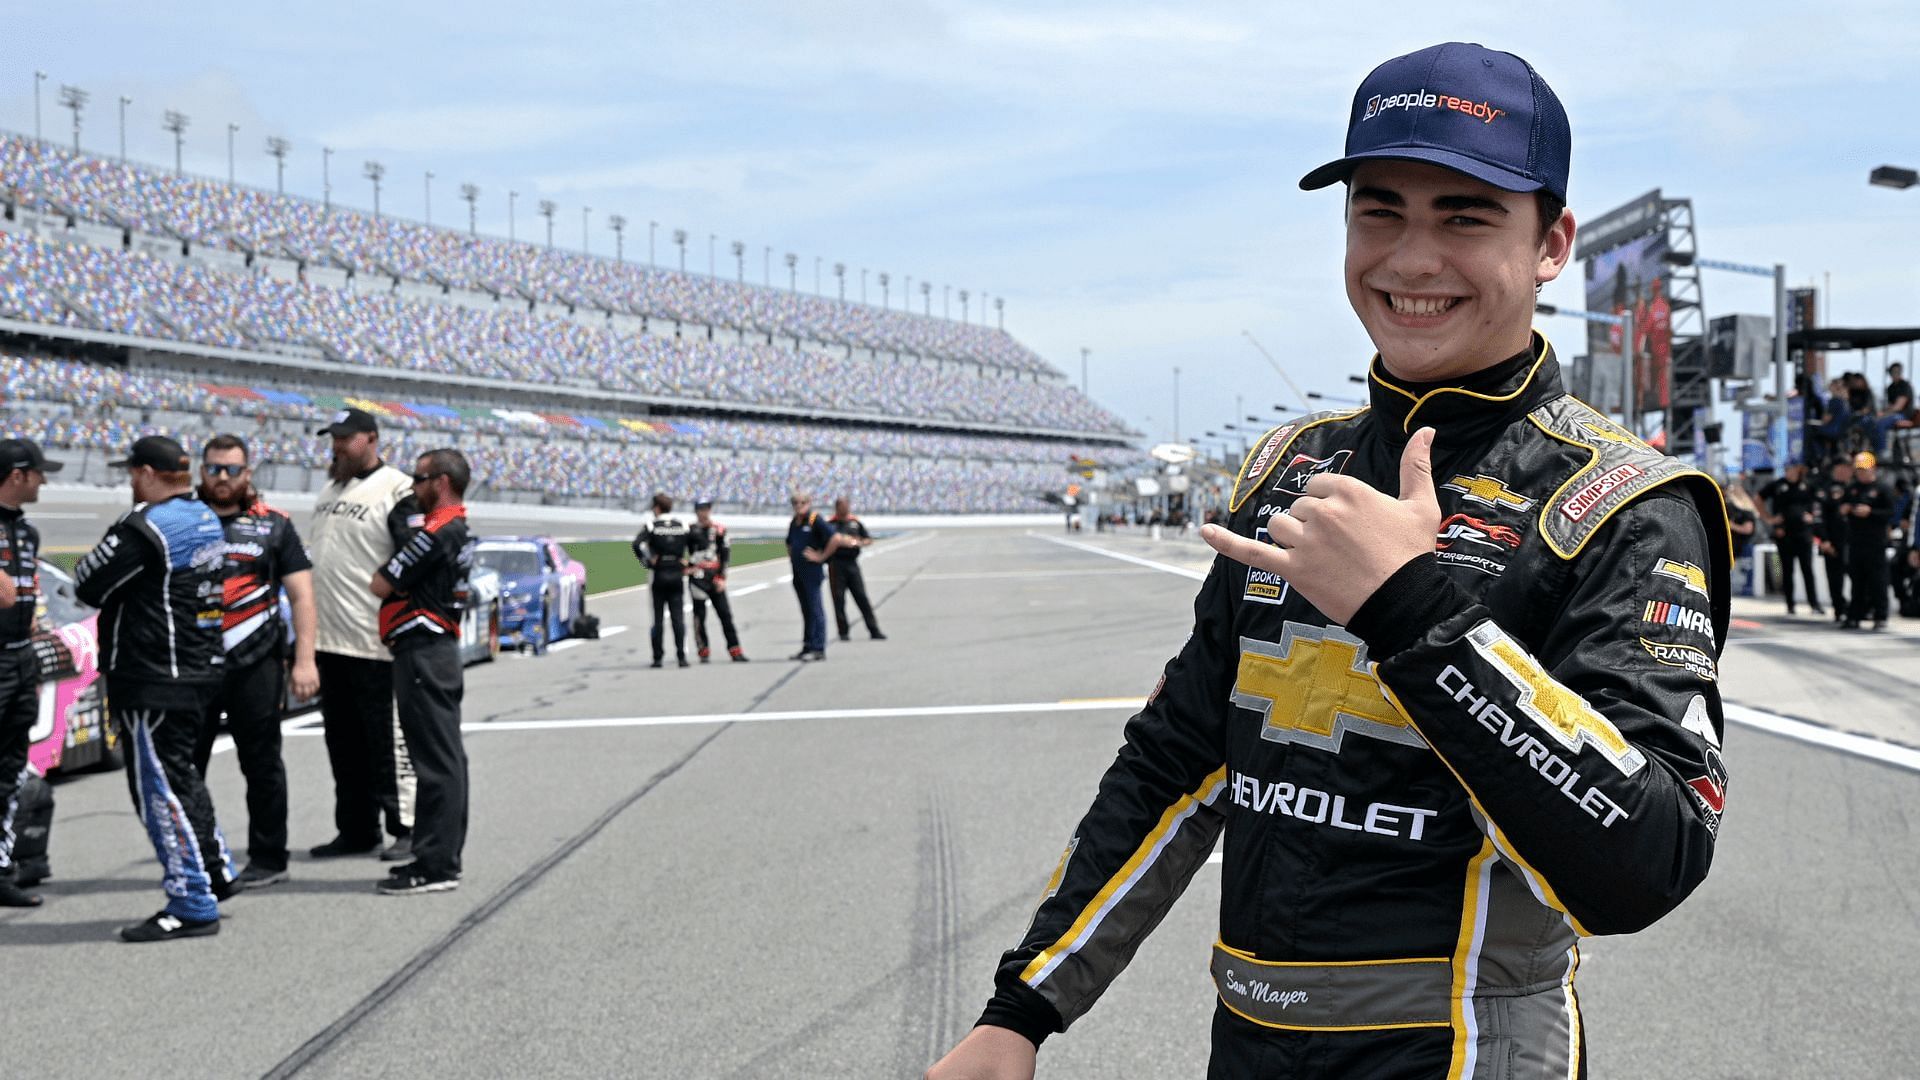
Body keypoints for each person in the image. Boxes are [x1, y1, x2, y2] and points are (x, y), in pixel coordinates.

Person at [931, 43, 1731, 1080]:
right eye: (1379, 210)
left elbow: (1648, 864)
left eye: (1465, 216)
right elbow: (1176, 761)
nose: (1410, 257)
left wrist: (1413, 612)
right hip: (1251, 1049)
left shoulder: (1622, 504)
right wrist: (1024, 1006)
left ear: (1553, 243)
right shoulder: (1290, 466)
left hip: (1465, 1051)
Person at [73, 436, 237, 942]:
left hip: (153, 676)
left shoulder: (147, 527)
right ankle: (215, 869)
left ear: (146, 472)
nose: (128, 481)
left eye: (131, 473)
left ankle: (191, 902)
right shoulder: (207, 516)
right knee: (183, 777)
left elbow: (86, 582)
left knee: (159, 790)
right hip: (196, 666)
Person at [188, 435, 318, 891]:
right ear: (201, 471)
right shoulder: (181, 519)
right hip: (193, 664)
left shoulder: (275, 525)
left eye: (232, 469)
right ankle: (194, 857)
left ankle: (269, 857)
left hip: (256, 663)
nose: (222, 478)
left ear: (248, 473)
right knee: (186, 767)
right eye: (214, 469)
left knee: (262, 763)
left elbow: (302, 595)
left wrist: (304, 661)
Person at [307, 407, 418, 862]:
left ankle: (405, 826)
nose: (336, 445)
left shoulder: (397, 488)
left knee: (385, 745)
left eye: (345, 438)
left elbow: (414, 555)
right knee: (343, 744)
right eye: (333, 438)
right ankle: (357, 828)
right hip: (329, 640)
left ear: (371, 439)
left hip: (375, 642)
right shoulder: (331, 489)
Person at [369, 449, 472, 895]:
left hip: (425, 649)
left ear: (442, 482)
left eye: (419, 478)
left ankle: (437, 866)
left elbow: (381, 582)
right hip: (429, 648)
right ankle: (432, 855)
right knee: (437, 759)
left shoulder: (440, 531)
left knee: (435, 762)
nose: (413, 487)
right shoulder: (450, 530)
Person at [0, 438, 60, 908]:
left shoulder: (27, 532)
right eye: (39, 472)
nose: (44, 480)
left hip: (21, 656)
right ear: (17, 475)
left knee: (8, 769)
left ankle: (1, 868)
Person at [632, 493, 692, 669]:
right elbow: (693, 543)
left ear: (657, 508)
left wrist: (647, 561)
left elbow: (636, 544)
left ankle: (658, 658)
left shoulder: (652, 525)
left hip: (659, 574)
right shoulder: (682, 525)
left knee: (657, 618)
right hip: (676, 573)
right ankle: (682, 657)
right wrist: (686, 561)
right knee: (678, 617)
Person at [1759, 462, 1824, 616]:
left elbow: (1820, 501)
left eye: (1793, 469)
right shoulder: (1778, 485)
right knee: (1787, 570)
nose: (1790, 472)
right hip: (1784, 534)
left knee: (1807, 569)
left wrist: (1813, 516)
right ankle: (1790, 604)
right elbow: (1758, 498)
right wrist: (1768, 519)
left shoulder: (1807, 485)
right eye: (1788, 469)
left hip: (1804, 533)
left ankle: (1814, 604)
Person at [1840, 451, 1895, 630]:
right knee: (1857, 582)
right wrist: (1846, 509)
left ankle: (1881, 616)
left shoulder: (1883, 488)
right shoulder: (1852, 488)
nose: (1862, 473)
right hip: (1856, 542)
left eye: (1865, 469)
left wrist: (1870, 512)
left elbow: (1891, 514)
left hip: (1876, 542)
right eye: (1859, 470)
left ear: (1873, 468)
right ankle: (1855, 616)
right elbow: (1841, 508)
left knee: (1878, 581)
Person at [687, 497, 747, 663]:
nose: (703, 512)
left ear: (710, 510)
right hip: (697, 578)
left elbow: (726, 555)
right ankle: (703, 650)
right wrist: (685, 567)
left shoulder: (719, 530)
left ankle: (735, 650)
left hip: (715, 577)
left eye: (706, 508)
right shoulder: (689, 530)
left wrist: (722, 577)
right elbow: (678, 550)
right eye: (700, 509)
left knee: (725, 615)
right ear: (696, 511)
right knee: (699, 617)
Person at [827, 496, 885, 642]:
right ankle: (843, 632)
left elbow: (868, 539)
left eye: (846, 505)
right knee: (838, 599)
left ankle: (874, 629)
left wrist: (857, 543)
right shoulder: (830, 524)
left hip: (852, 564)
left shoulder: (855, 523)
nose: (845, 508)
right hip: (836, 564)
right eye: (841, 505)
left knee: (862, 597)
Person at [786, 493, 834, 662]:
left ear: (809, 503)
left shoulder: (815, 519)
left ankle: (818, 647)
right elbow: (789, 542)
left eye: (802, 502)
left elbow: (834, 538)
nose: (798, 505)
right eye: (795, 503)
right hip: (798, 571)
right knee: (806, 611)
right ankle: (808, 644)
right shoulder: (794, 522)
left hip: (811, 572)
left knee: (815, 609)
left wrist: (821, 557)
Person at [1818, 457, 1855, 625]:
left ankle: (1857, 608)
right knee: (1835, 579)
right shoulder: (1825, 489)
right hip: (1832, 541)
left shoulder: (1856, 487)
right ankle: (1839, 608)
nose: (1844, 471)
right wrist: (1824, 540)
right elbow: (1819, 518)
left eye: (1847, 467)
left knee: (1858, 576)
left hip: (1854, 542)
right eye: (1841, 467)